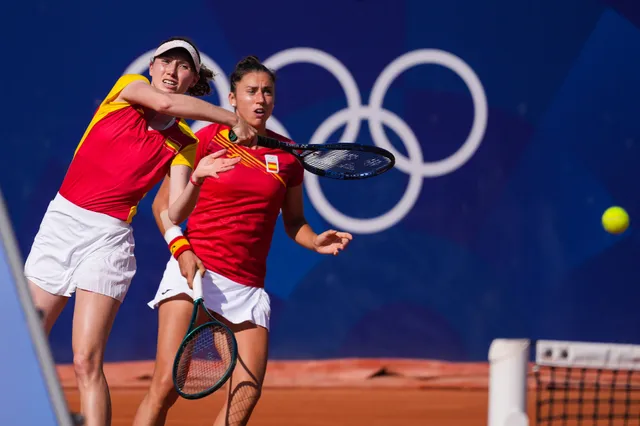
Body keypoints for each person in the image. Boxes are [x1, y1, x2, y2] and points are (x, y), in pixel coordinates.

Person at [23, 37, 257, 426]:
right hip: (61, 225)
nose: (171, 71)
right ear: (152, 68)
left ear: (193, 80)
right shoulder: (126, 89)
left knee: (85, 361)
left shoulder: (182, 142)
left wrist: (196, 178)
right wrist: (233, 118)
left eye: (183, 67)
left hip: (108, 239)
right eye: (166, 62)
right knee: (26, 345)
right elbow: (164, 104)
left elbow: (173, 211)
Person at [132, 56, 354, 426]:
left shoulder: (288, 156)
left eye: (267, 91)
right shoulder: (201, 140)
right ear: (232, 98)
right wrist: (182, 251)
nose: (260, 99)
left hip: (246, 287)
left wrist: (315, 241)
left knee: (245, 394)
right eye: (251, 91)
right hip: (195, 273)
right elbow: (162, 207)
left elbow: (294, 220)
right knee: (166, 385)